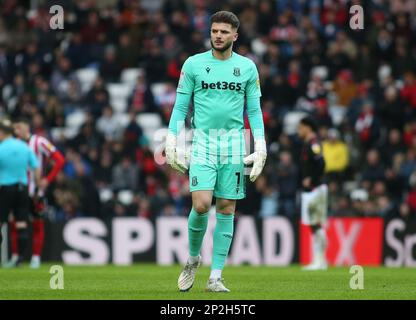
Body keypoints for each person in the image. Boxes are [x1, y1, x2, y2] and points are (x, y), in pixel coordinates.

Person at [166, 11, 266, 292]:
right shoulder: (194, 64)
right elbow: (180, 107)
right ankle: (194, 257)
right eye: (214, 31)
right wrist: (171, 139)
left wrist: (260, 145)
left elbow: (254, 110)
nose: (218, 36)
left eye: (224, 32)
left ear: (235, 35)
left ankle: (215, 277)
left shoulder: (247, 67)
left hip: (234, 144)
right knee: (200, 204)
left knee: (226, 207)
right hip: (204, 143)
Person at [5, 118, 65, 268]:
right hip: (17, 189)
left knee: (37, 223)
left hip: (36, 191)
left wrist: (47, 179)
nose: (16, 130)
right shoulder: (11, 144)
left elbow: (59, 160)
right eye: (15, 128)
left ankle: (36, 257)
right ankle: (15, 256)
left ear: (26, 127)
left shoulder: (39, 142)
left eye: (19, 127)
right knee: (14, 224)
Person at [0, 119, 41, 266]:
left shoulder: (1, 148)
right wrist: (37, 186)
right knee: (22, 223)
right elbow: (36, 167)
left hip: (5, 188)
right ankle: (21, 259)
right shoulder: (24, 147)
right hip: (22, 188)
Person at [297, 116, 328, 270]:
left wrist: (312, 179)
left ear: (307, 128)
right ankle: (320, 260)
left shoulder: (314, 143)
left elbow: (321, 162)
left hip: (316, 189)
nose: (298, 131)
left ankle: (320, 260)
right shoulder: (308, 143)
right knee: (313, 224)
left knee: (316, 224)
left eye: (300, 127)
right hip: (311, 190)